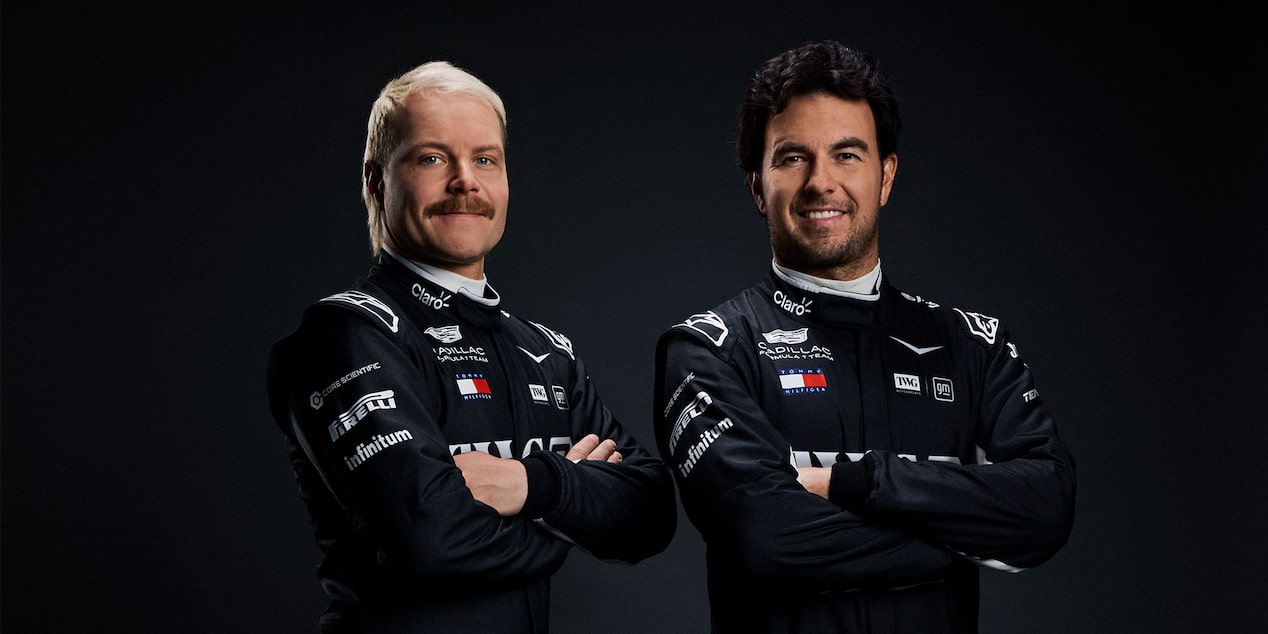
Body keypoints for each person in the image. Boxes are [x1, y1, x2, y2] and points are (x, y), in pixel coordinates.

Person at [653, 41, 1076, 632]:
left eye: (847, 154)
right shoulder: (709, 350)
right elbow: (765, 538)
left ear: (886, 176)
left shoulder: (971, 345)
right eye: (793, 157)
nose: (821, 181)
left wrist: (853, 483)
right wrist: (958, 535)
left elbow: (1046, 507)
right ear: (757, 186)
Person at [266, 60, 676, 633]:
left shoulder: (545, 352)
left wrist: (533, 484)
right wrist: (572, 510)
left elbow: (650, 514)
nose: (466, 181)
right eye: (432, 158)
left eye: (485, 159)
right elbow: (430, 540)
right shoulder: (348, 335)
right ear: (375, 179)